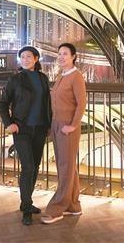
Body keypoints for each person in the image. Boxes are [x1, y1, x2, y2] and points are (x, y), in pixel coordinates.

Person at [0, 45, 52, 226]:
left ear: (36, 59)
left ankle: (26, 202)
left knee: (35, 167)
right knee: (27, 167)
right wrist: (9, 123)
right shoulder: (15, 79)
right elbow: (3, 103)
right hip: (22, 129)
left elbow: (47, 103)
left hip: (40, 128)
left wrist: (49, 124)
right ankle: (27, 208)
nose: (25, 59)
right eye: (22, 57)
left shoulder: (43, 78)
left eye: (29, 56)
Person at [41, 43, 86, 224]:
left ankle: (57, 208)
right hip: (57, 125)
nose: (61, 57)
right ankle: (73, 205)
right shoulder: (61, 75)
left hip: (68, 127)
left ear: (73, 56)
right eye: (59, 54)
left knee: (65, 166)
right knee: (66, 166)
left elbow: (81, 104)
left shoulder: (76, 76)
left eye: (65, 54)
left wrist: (73, 125)